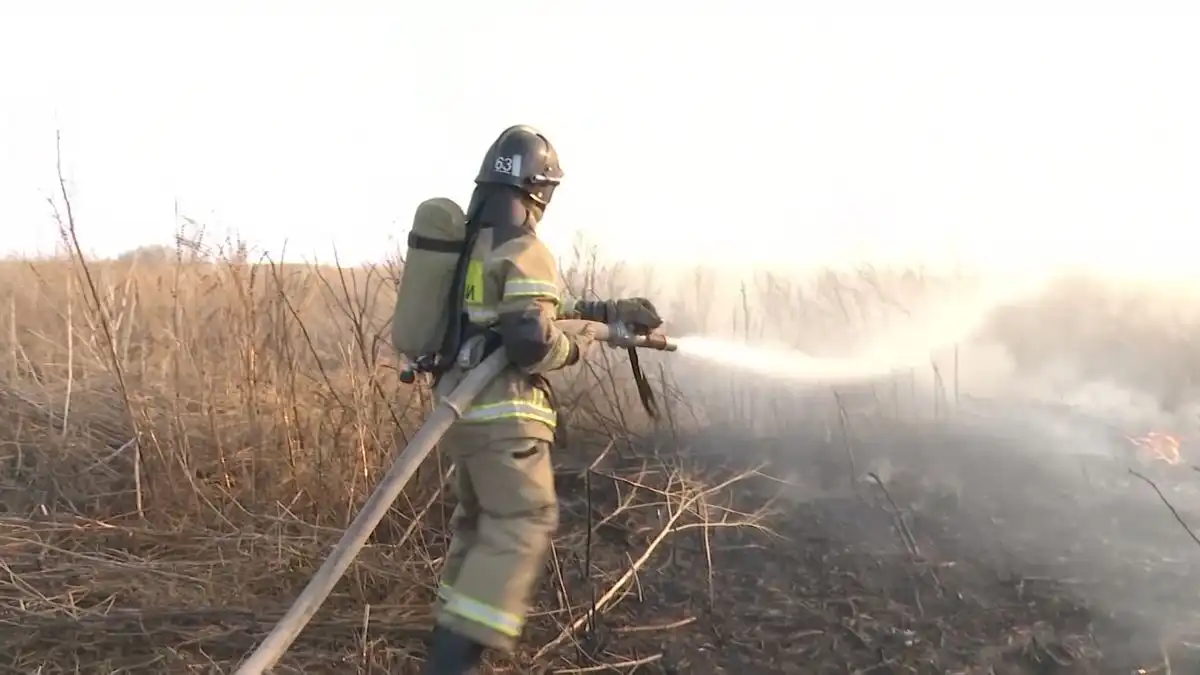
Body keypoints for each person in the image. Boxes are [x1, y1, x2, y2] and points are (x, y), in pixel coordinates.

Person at [421, 124, 663, 674]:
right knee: (524, 518)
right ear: (538, 191)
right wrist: (573, 351)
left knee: (480, 526)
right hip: (505, 415)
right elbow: (531, 338)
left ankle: (445, 652)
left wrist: (606, 311)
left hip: (464, 414)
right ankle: (451, 666)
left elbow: (538, 306)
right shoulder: (526, 247)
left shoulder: (476, 247)